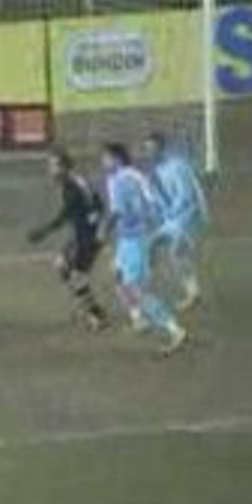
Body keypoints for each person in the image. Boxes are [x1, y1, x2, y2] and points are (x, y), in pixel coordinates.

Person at [103, 143, 188, 356]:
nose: (103, 162)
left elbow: (118, 212)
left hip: (135, 239)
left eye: (106, 158)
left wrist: (103, 230)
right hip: (129, 238)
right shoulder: (131, 175)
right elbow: (152, 202)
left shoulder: (122, 180)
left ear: (117, 159)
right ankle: (138, 318)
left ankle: (174, 329)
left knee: (136, 289)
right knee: (117, 274)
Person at [27, 148, 110, 331]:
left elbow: (65, 216)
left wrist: (43, 231)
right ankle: (88, 306)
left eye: (54, 166)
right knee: (62, 265)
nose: (50, 170)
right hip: (83, 234)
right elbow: (96, 205)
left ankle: (96, 314)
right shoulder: (74, 182)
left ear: (64, 167)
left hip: (87, 238)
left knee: (76, 275)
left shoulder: (72, 187)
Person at [143, 133, 208, 312]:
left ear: (161, 148)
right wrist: (155, 212)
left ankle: (193, 292)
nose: (149, 153)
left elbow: (186, 195)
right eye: (146, 149)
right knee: (151, 244)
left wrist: (169, 213)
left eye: (152, 148)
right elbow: (157, 200)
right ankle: (149, 285)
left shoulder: (176, 166)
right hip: (173, 219)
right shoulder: (155, 173)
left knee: (177, 251)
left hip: (188, 215)